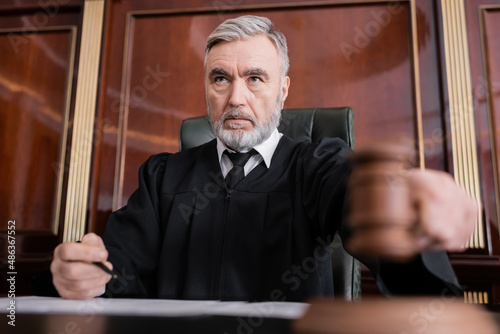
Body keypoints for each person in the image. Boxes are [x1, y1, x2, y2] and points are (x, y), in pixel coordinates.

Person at [48, 15, 477, 301]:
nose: (236, 98)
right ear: (207, 87)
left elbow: (356, 195)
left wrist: (400, 205)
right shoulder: (163, 177)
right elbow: (120, 263)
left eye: (255, 78)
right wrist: (88, 274)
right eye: (221, 78)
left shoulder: (316, 166)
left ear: (283, 90)